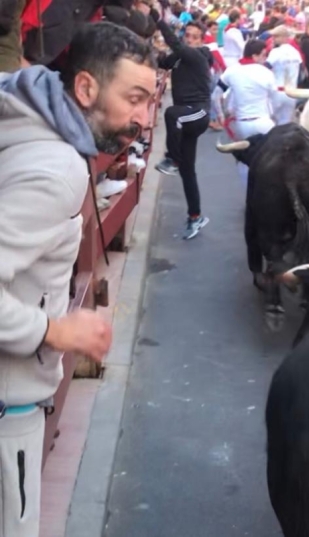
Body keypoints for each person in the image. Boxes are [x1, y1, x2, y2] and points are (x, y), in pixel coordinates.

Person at [0, 21, 155, 536]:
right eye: (134, 98)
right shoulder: (56, 168)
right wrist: (52, 331)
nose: (144, 117)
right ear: (85, 88)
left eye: (150, 102)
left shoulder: (20, 117)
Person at [154, 15, 213, 240]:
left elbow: (175, 44)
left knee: (172, 113)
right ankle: (195, 216)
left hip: (198, 113)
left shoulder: (198, 55)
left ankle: (173, 159)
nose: (189, 40)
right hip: (185, 117)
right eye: (187, 36)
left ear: (200, 41)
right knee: (189, 172)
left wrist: (157, 19)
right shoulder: (178, 57)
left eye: (194, 37)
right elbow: (161, 61)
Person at [220, 39, 279, 185]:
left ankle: (249, 196)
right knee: (269, 160)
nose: (265, 58)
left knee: (243, 161)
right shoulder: (266, 73)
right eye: (263, 55)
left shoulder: (232, 71)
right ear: (255, 56)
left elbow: (216, 95)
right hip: (264, 122)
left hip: (242, 124)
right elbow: (275, 99)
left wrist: (221, 116)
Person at [267, 25, 303, 125]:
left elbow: (266, 67)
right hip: (292, 92)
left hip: (277, 91)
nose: (273, 39)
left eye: (276, 36)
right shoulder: (295, 52)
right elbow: (300, 72)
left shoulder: (275, 52)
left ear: (284, 37)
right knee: (286, 123)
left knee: (271, 122)